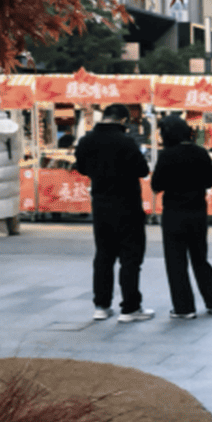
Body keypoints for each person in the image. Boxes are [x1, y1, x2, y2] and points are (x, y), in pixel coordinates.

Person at [74, 102, 153, 322]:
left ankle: (101, 305)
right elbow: (142, 169)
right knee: (130, 257)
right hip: (127, 204)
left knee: (103, 256)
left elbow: (81, 167)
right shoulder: (126, 142)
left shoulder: (86, 140)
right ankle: (130, 307)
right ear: (123, 120)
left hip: (100, 204)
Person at [150, 115, 212, 319]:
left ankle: (184, 307)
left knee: (176, 261)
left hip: (174, 213)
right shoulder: (201, 153)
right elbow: (209, 182)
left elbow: (157, 185)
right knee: (201, 259)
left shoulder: (167, 156)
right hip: (198, 211)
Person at [0, 93, 22, 236]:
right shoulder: (12, 125)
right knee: (9, 196)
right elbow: (20, 149)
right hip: (9, 167)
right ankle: (13, 226)